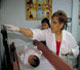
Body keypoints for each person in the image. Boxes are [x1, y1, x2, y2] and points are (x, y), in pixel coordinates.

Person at [4, 10, 79, 69]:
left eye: (54, 22)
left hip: (64, 65)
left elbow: (77, 50)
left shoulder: (69, 37)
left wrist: (70, 51)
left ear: (61, 25)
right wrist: (18, 29)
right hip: (52, 64)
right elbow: (34, 33)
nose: (51, 25)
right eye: (51, 21)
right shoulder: (48, 33)